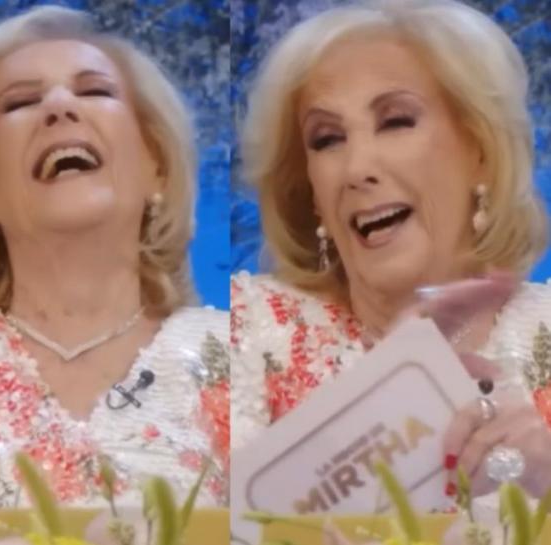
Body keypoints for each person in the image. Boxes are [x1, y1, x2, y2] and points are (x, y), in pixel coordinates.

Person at [0, 6, 228, 508]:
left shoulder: (236, 357)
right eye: (21, 102)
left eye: (95, 91)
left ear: (157, 168)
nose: (59, 107)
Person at [231, 0, 551, 505]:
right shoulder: (246, 333)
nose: (357, 168)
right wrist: (389, 398)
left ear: (481, 152)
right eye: (327, 139)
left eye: (396, 121)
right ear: (312, 192)